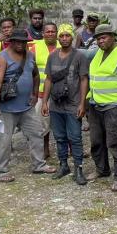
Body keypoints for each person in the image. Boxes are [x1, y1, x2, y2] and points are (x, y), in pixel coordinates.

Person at [0, 29, 56, 182]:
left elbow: (36, 75)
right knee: (4, 140)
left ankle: (39, 165)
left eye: (23, 42)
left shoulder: (29, 55)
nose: (20, 44)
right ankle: (1, 171)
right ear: (11, 41)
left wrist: (33, 94)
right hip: (6, 108)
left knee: (36, 133)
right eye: (17, 41)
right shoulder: (2, 58)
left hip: (26, 107)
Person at [85, 24, 117, 189]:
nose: (101, 41)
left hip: (114, 105)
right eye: (98, 38)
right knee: (96, 141)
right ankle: (102, 169)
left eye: (104, 37)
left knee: (114, 142)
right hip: (95, 103)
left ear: (113, 37)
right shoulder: (97, 53)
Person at [40, 24, 89, 185]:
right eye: (62, 36)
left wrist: (83, 103)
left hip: (73, 104)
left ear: (72, 37)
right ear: (58, 38)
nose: (64, 38)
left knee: (75, 137)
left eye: (67, 35)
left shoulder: (79, 56)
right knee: (59, 137)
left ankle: (79, 168)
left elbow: (83, 80)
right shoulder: (52, 56)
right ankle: (63, 165)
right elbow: (48, 79)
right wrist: (45, 102)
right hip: (56, 104)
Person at [31, 22, 61, 159]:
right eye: (47, 31)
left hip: (61, 93)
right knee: (42, 123)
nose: (50, 34)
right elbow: (29, 69)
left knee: (63, 122)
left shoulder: (63, 46)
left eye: (53, 31)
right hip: (41, 93)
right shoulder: (35, 47)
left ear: (57, 33)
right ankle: (45, 148)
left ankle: (70, 149)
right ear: (43, 33)